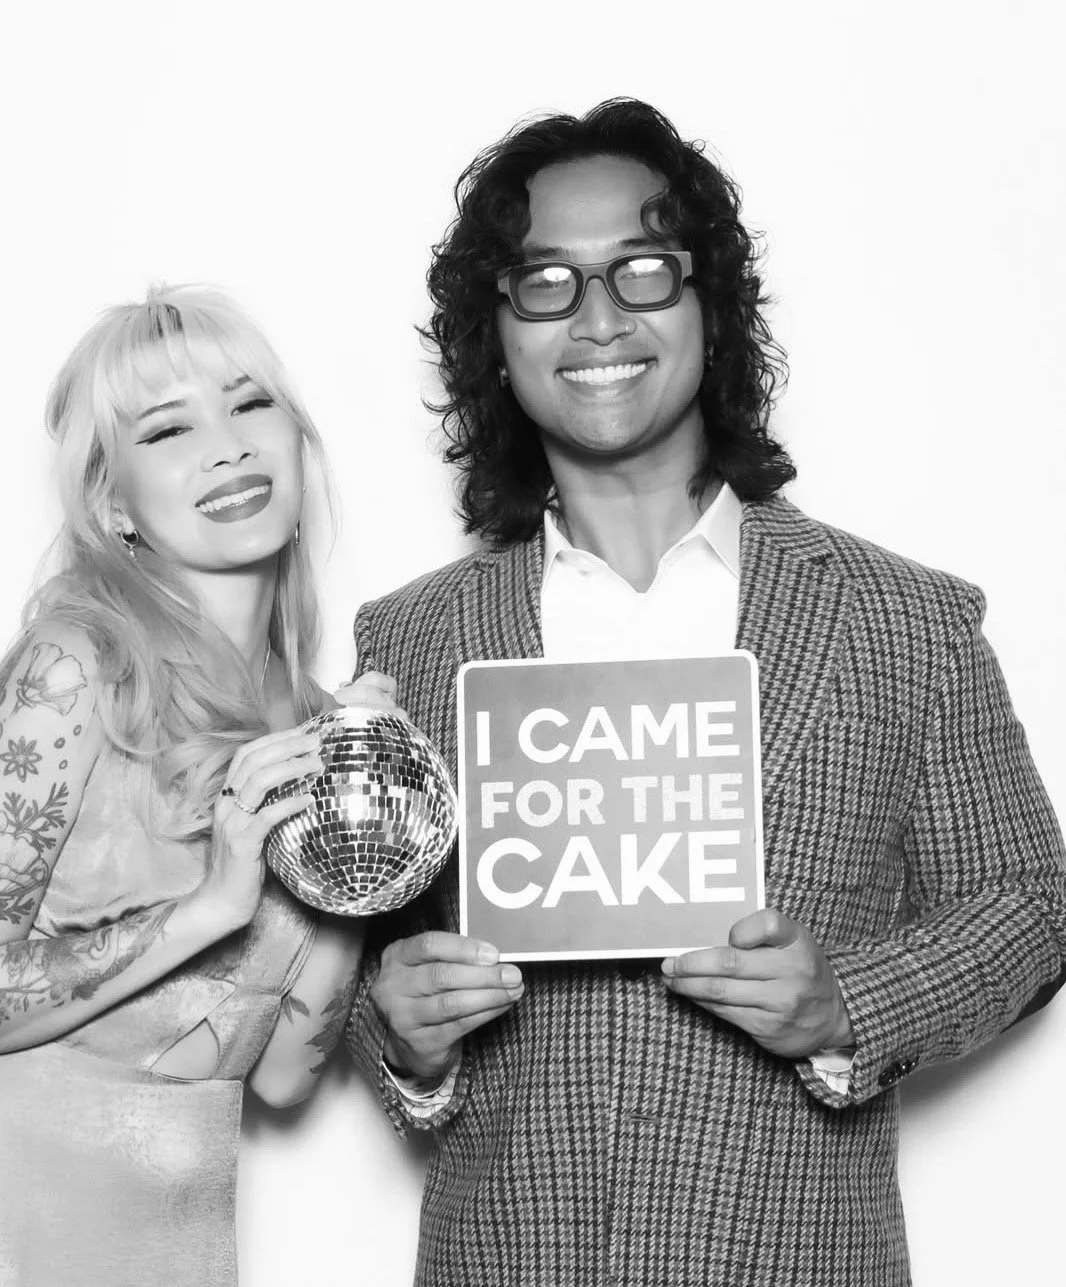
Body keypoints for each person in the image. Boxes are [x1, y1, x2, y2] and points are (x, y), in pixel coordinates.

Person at [343, 99, 1066, 1286]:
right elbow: (365, 962)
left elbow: (1032, 907)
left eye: (643, 269)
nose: (599, 319)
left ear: (710, 306)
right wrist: (400, 1026)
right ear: (498, 337)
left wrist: (848, 1001)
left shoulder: (907, 621)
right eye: (546, 284)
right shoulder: (409, 643)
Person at [0, 285, 394, 1287]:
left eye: (250, 404)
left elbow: (283, 1078)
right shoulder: (76, 667)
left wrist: (367, 846)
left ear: (298, 443)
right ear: (114, 504)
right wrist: (212, 903)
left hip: (174, 1241)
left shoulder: (317, 728)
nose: (226, 447)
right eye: (168, 428)